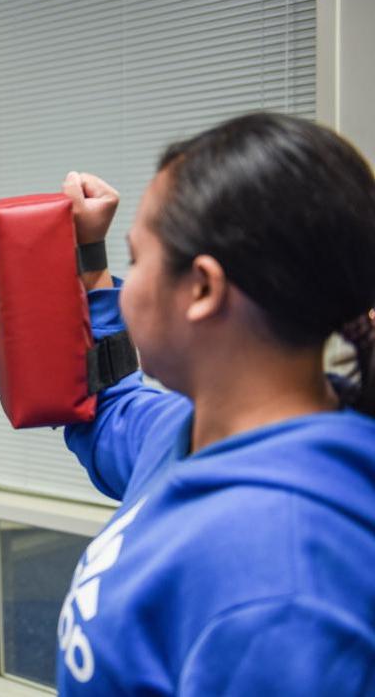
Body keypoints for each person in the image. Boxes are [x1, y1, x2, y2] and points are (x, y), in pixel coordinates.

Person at [56, 113, 375, 695]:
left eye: (138, 257)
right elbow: (112, 411)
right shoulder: (192, 430)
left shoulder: (286, 589)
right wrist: (92, 262)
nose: (131, 284)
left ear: (202, 288)